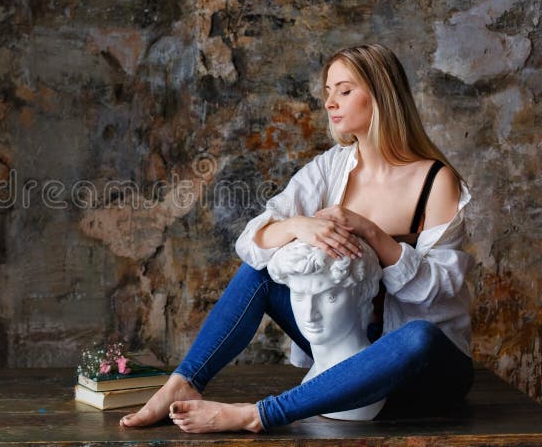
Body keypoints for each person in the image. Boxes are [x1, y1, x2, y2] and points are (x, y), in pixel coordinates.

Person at [119, 43, 473, 433]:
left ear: (382, 93)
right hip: (348, 340)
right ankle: (185, 382)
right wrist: (296, 226)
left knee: (419, 337)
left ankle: (261, 414)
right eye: (327, 92)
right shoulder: (331, 168)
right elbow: (252, 240)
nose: (329, 103)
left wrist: (370, 231)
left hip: (417, 366)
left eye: (344, 90)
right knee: (260, 273)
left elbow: (440, 290)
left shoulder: (436, 180)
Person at [268, 239, 385, 421]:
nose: (309, 313)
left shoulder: (366, 381)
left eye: (330, 297)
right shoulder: (313, 376)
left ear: (362, 294)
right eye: (299, 296)